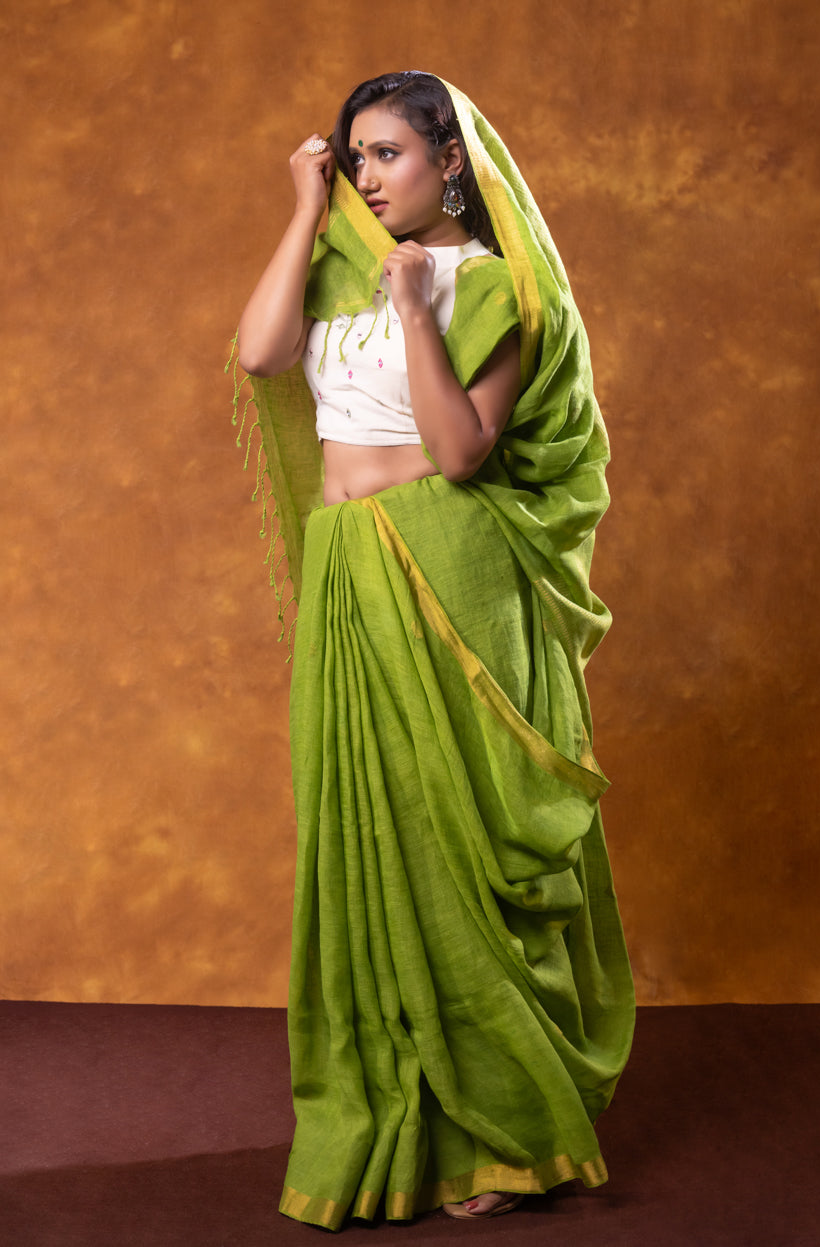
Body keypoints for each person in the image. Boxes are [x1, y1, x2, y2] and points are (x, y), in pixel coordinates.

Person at [235, 71, 634, 1231]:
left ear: (449, 161)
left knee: (456, 844)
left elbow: (460, 452)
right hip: (346, 564)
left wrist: (417, 306)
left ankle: (511, 1130)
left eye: (389, 153)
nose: (367, 175)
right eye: (354, 155)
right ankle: (405, 1118)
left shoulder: (494, 283)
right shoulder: (337, 263)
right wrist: (304, 210)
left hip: (449, 567)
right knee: (372, 835)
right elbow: (260, 353)